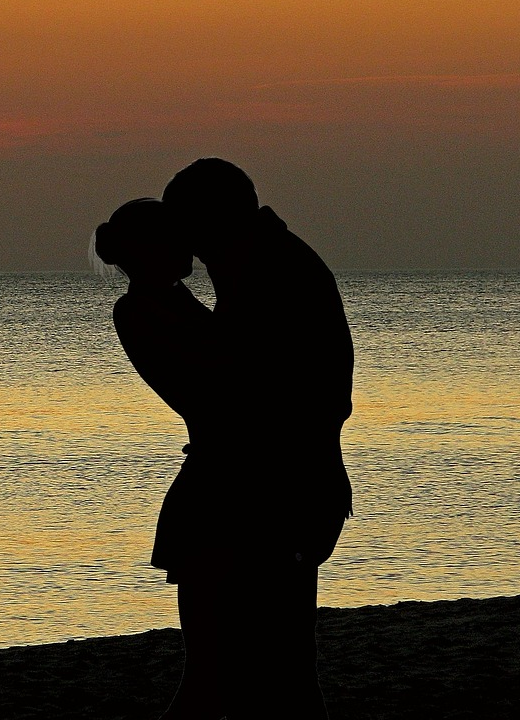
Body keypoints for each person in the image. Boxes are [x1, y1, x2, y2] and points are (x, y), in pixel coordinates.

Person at [163, 158, 354, 718]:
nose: (185, 244)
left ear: (212, 219)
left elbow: (262, 391)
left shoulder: (268, 273)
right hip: (284, 488)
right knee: (277, 672)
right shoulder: (262, 264)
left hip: (277, 493)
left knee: (270, 675)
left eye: (187, 224)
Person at [93, 198, 237, 719]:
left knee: (217, 675)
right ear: (152, 248)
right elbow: (212, 379)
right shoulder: (140, 309)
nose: (190, 248)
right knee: (207, 678)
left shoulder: (173, 300)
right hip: (215, 489)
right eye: (177, 238)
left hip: (216, 481)